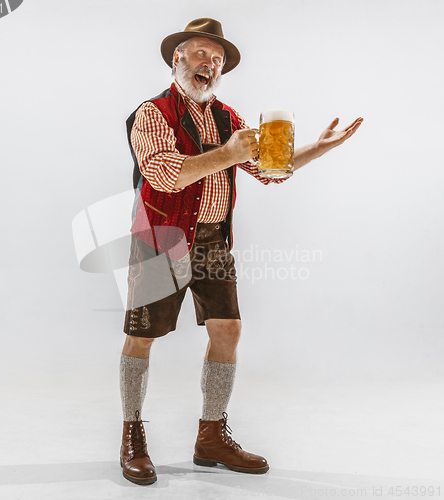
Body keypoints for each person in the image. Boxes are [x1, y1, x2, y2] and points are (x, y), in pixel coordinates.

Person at [119, 18, 363, 486]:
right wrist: (228, 155)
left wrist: (317, 149)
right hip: (161, 236)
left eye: (216, 58)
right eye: (198, 54)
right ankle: (132, 434)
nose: (208, 64)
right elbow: (164, 173)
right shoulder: (151, 112)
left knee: (227, 329)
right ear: (177, 58)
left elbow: (269, 169)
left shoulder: (229, 117)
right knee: (142, 336)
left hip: (212, 239)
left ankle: (210, 436)